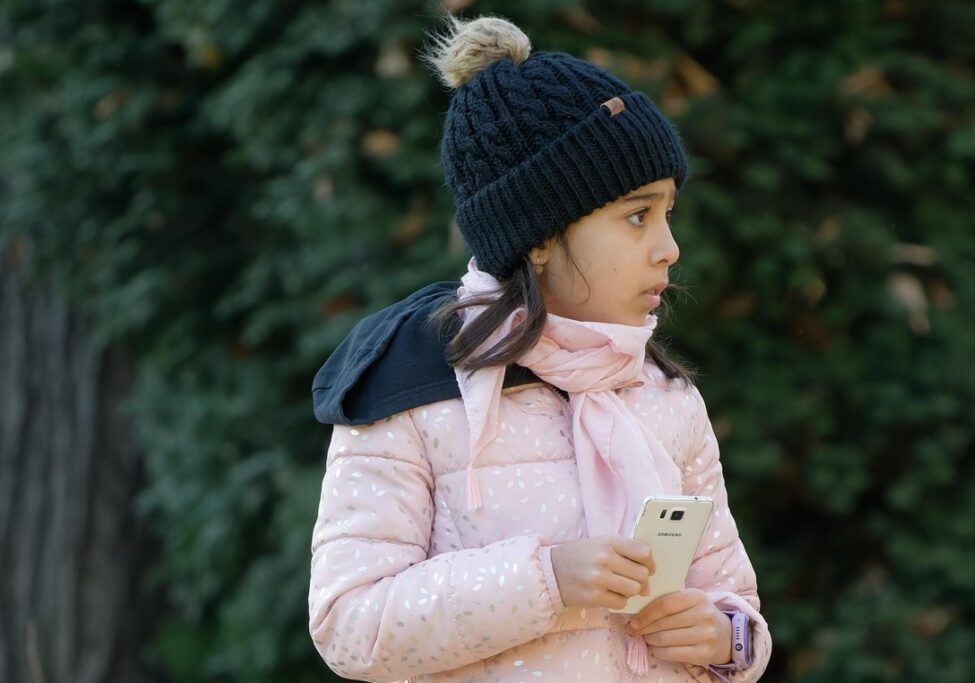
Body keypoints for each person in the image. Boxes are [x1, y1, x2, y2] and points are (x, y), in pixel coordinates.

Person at [307, 12, 771, 683]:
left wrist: (724, 636)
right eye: (637, 215)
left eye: (669, 213)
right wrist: (547, 579)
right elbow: (349, 625)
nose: (669, 246)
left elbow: (735, 604)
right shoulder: (411, 390)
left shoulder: (665, 397)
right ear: (540, 236)